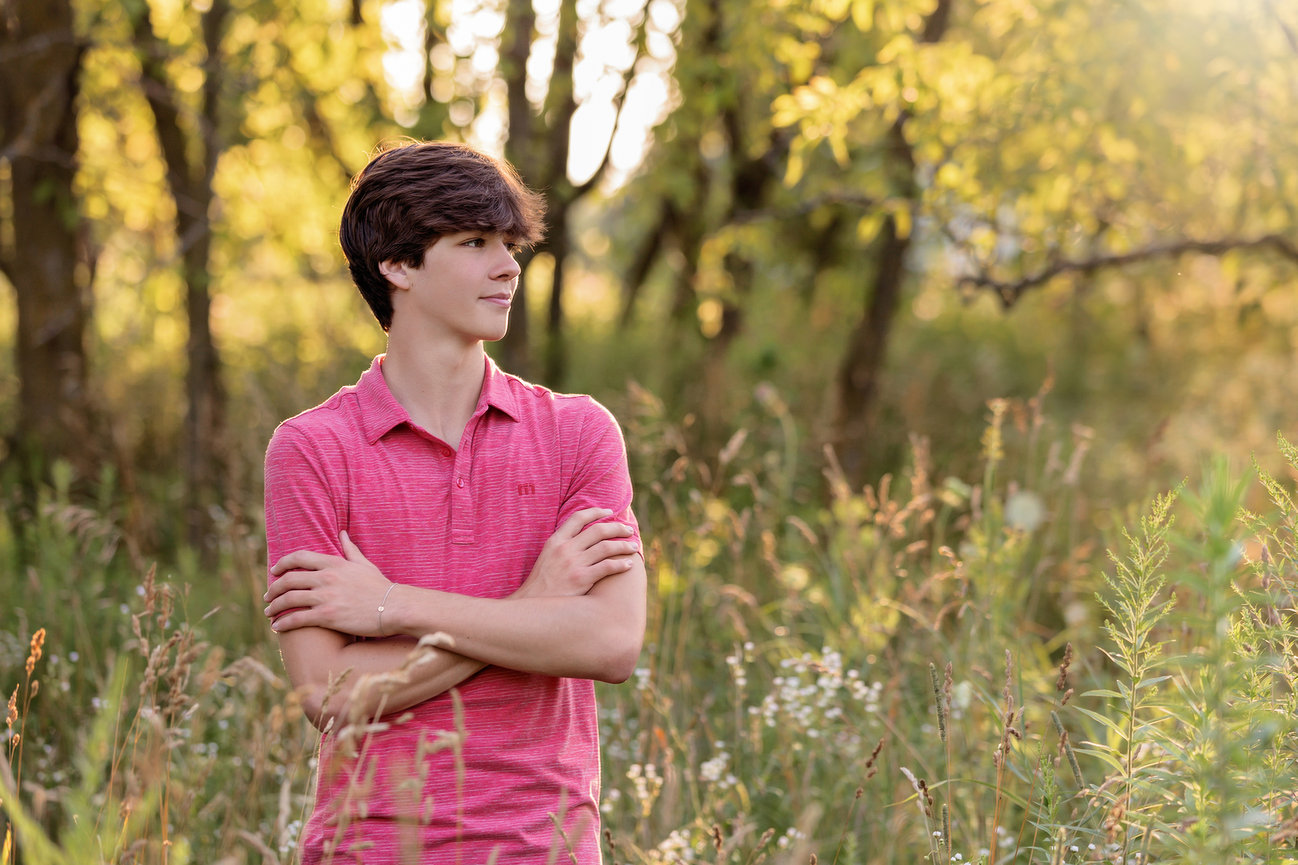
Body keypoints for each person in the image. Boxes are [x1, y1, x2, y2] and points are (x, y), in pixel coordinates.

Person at [261, 140, 647, 865]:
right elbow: (332, 695)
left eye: (510, 244)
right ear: (398, 265)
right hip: (370, 847)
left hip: (546, 845)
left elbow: (610, 643)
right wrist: (537, 602)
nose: (508, 266)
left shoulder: (578, 432)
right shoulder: (312, 449)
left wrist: (394, 605)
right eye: (475, 242)